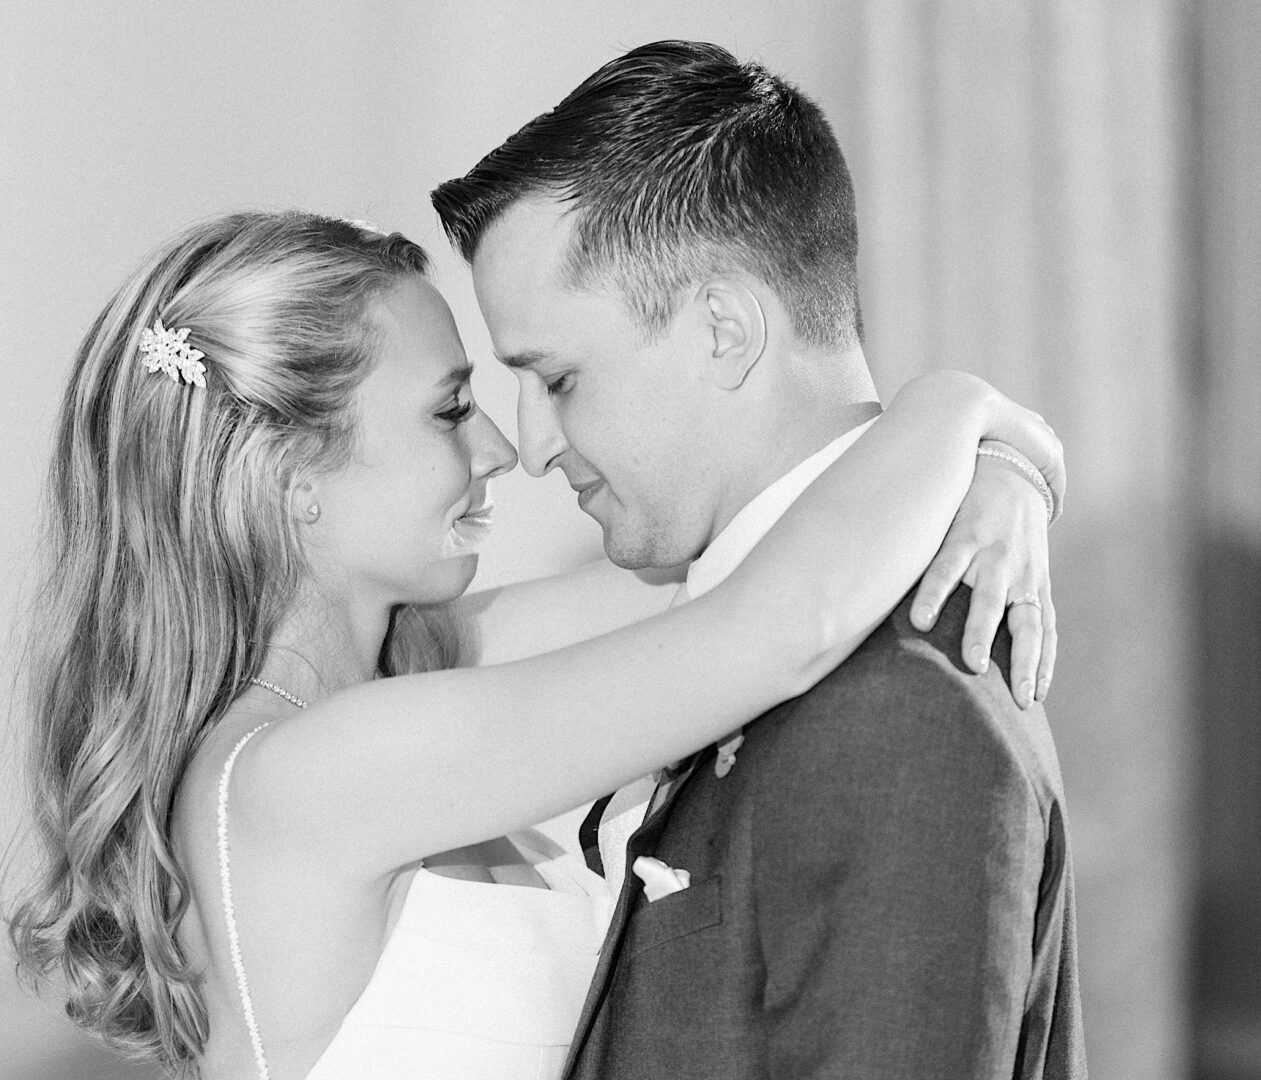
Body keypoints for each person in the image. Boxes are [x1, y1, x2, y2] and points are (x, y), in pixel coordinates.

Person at [5, 210, 1063, 1080]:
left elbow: (760, 552)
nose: (502, 447)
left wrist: (1006, 473)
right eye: (449, 409)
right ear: (295, 483)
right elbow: (778, 627)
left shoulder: (414, 677)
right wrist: (957, 405)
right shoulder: (312, 775)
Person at [431, 39, 1084, 1080]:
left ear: (723, 330)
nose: (534, 444)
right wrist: (996, 431)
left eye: (556, 378)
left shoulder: (900, 705)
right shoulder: (707, 624)